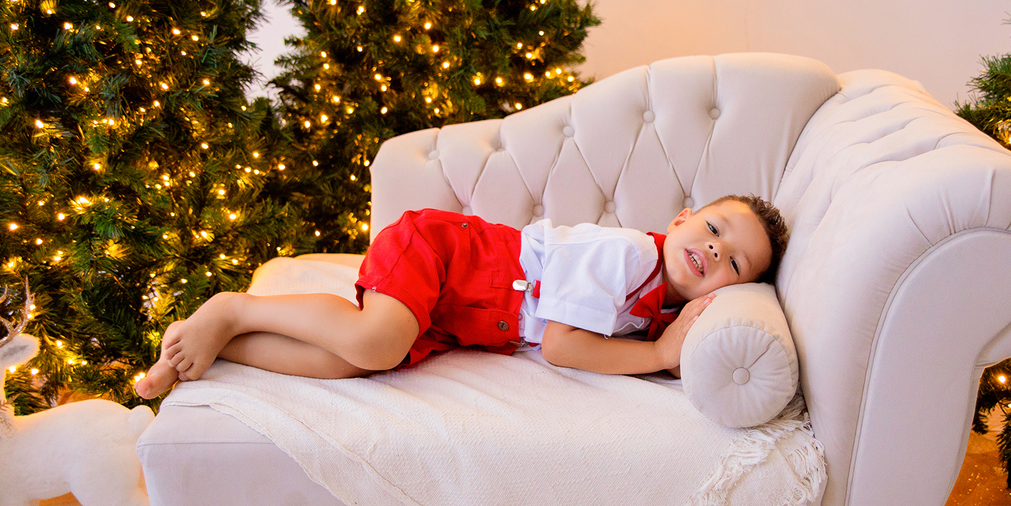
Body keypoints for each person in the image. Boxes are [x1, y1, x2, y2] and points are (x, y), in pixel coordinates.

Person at [135, 195, 788, 399]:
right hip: (452, 259)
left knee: (352, 364)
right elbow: (562, 345)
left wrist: (674, 347)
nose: (713, 251)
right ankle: (232, 307)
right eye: (712, 228)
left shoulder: (665, 306)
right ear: (679, 219)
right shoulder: (628, 255)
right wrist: (661, 354)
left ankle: (219, 351)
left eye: (734, 262)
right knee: (377, 340)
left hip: (466, 320)